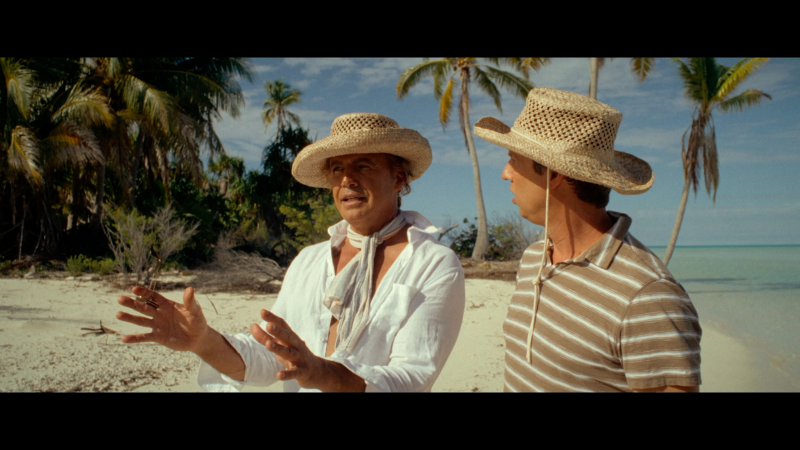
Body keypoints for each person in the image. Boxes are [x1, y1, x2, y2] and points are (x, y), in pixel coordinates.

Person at [115, 112, 466, 392]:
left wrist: (322, 374)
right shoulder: (310, 261)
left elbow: (412, 376)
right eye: (337, 169)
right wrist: (203, 341)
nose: (347, 180)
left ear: (399, 177)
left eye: (363, 165)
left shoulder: (432, 263)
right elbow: (272, 360)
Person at [473, 87, 702, 392]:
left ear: (554, 174)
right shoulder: (534, 259)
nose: (505, 174)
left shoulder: (647, 297)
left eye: (513, 160)